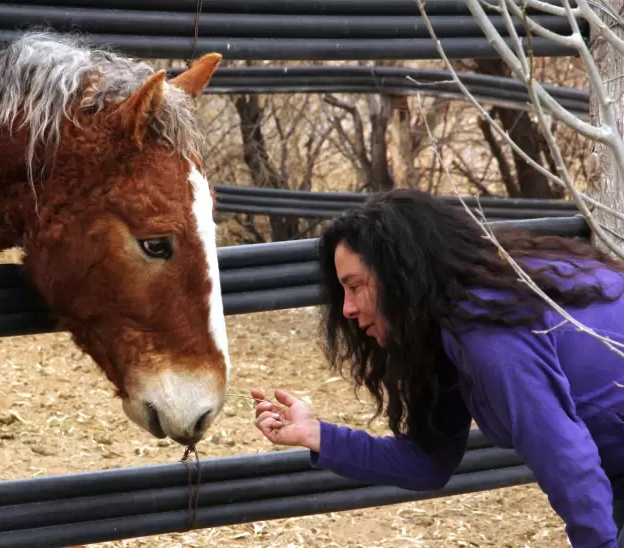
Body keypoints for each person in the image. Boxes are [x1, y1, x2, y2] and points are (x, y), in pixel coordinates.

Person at [251, 188, 624, 548]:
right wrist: (315, 434)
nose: (347, 309)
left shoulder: (488, 331)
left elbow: (566, 461)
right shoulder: (448, 330)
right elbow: (427, 463)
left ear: (400, 276)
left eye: (356, 286)